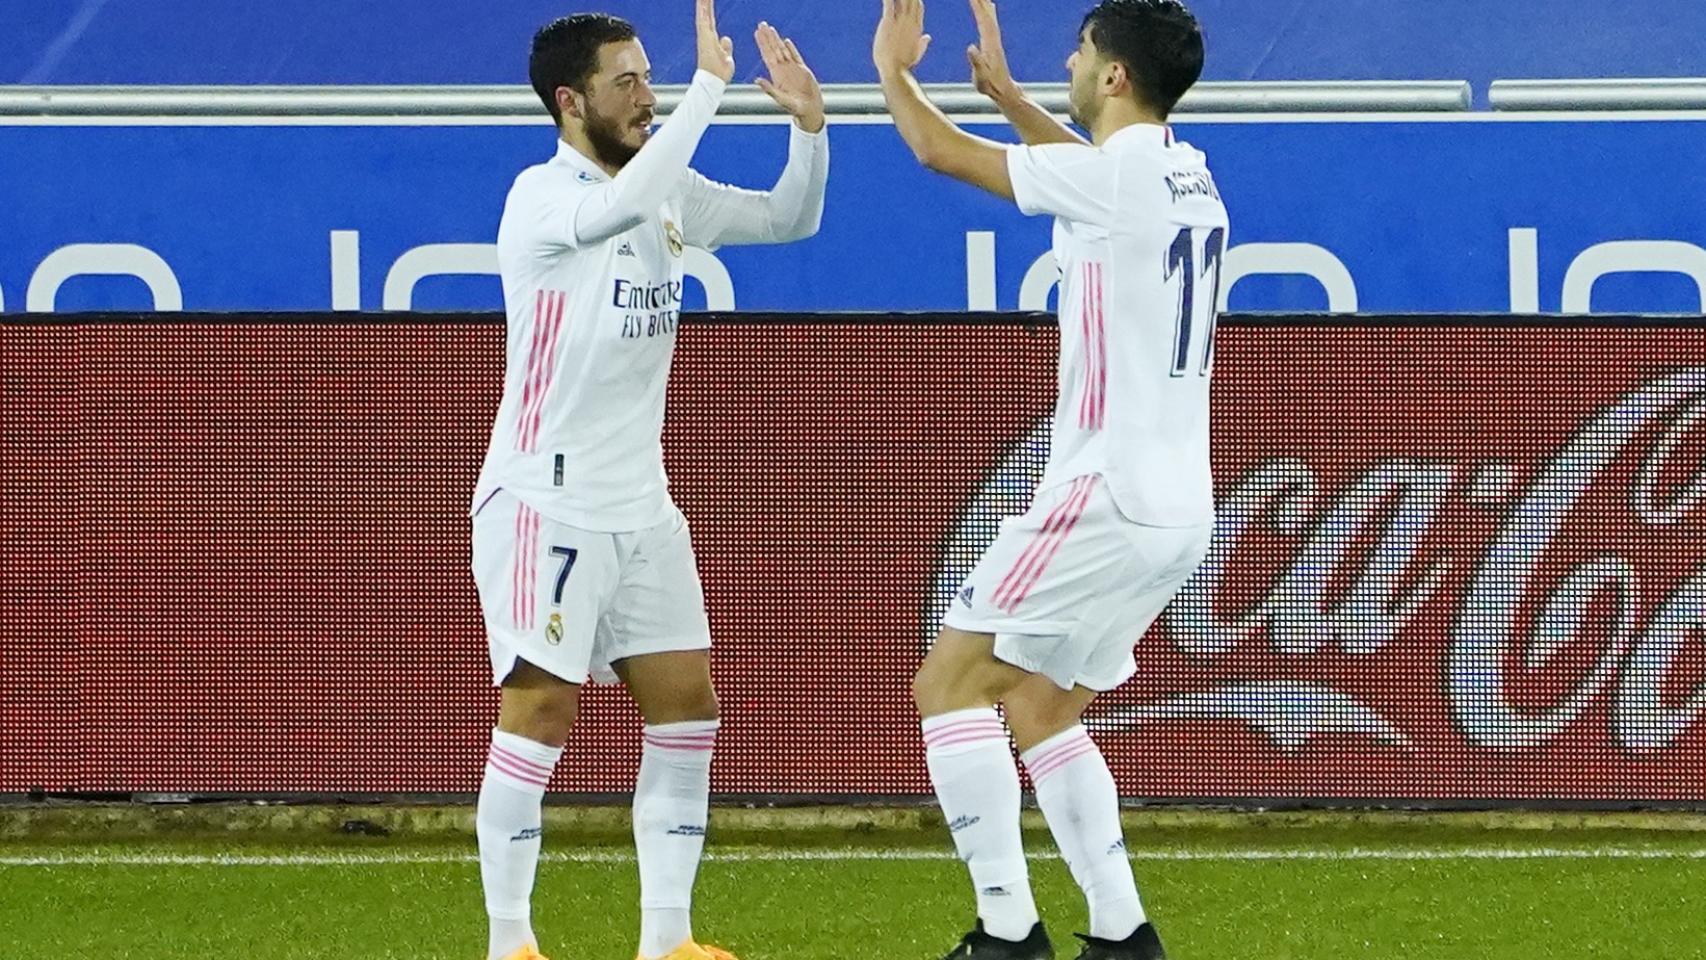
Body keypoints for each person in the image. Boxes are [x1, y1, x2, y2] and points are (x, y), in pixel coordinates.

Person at [467, 3, 829, 958]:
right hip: (546, 498)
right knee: (542, 705)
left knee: (687, 704)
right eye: (627, 83)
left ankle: (668, 943)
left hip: (642, 503)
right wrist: (709, 89)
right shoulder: (542, 198)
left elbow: (790, 218)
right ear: (569, 99)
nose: (648, 97)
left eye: (651, 78)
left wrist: (807, 128)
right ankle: (512, 943)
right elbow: (618, 209)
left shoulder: (664, 189)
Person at [873, 0, 1225, 957]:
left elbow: (940, 155)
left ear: (1112, 76)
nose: (1071, 61)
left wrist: (893, 74)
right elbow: (1089, 175)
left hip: (1104, 491)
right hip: (1177, 505)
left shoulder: (1117, 178)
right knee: (1039, 703)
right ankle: (1121, 934)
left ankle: (1006, 934)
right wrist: (1017, 99)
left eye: (1080, 51)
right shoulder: (1187, 171)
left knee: (948, 684)